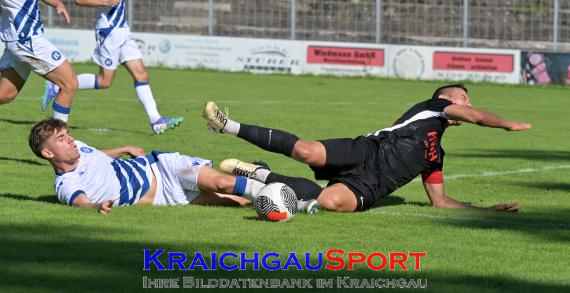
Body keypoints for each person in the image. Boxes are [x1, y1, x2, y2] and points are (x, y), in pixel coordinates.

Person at [202, 84, 532, 213]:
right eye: (464, 98)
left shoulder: (435, 154)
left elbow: (441, 201)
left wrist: (484, 210)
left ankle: (260, 174)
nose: (469, 105)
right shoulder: (432, 107)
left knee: (327, 201)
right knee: (307, 152)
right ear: (446, 99)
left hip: (372, 186)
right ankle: (228, 126)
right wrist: (507, 123)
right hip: (367, 151)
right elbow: (475, 116)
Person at [29, 118, 273, 214]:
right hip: (164, 198)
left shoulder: (78, 147)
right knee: (235, 203)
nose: (71, 140)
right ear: (48, 152)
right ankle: (255, 175)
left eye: (68, 134)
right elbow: (79, 201)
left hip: (161, 167)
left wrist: (123, 149)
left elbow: (96, 155)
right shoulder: (66, 184)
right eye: (62, 139)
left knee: (222, 183)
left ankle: (281, 189)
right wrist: (97, 206)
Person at [41, 0, 182, 134]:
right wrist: (105, 2)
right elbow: (79, 1)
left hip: (123, 30)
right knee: (105, 81)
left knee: (141, 75)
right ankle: (56, 87)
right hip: (109, 31)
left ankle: (156, 120)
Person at [1, 0, 78, 122]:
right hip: (27, 39)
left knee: (5, 95)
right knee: (69, 84)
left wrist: (57, 3)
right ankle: (59, 136)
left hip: (19, 40)